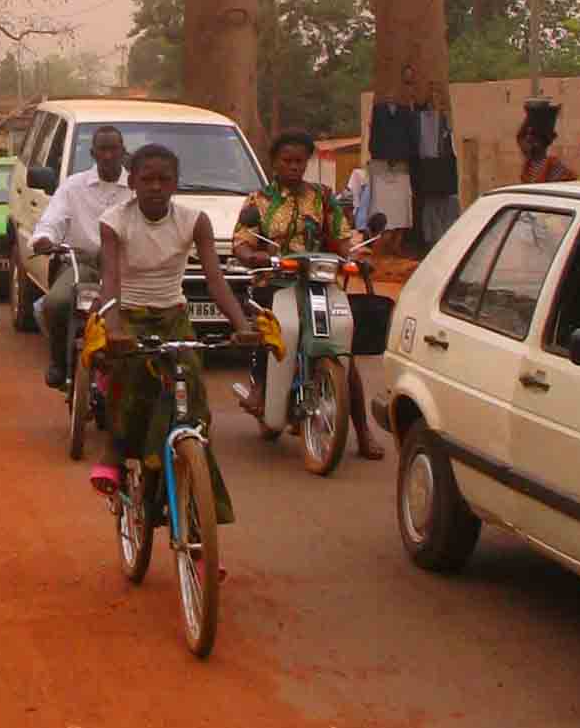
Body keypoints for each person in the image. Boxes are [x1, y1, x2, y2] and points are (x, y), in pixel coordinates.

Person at [90, 143, 257, 512]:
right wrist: (113, 329)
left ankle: (195, 505)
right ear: (132, 182)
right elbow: (111, 280)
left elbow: (215, 280)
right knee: (128, 380)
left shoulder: (194, 220)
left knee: (192, 395)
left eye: (164, 179)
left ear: (176, 183)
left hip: (174, 317)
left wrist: (242, 325)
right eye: (146, 179)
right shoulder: (115, 221)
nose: (155, 186)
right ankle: (115, 451)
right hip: (129, 314)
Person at [231, 129, 383, 460]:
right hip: (275, 280)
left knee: (343, 350)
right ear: (274, 162)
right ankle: (261, 387)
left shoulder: (323, 197)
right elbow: (242, 241)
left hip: (319, 280)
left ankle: (363, 432)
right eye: (287, 161)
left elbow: (341, 237)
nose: (294, 167)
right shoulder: (258, 200)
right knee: (273, 329)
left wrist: (355, 255)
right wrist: (253, 256)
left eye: (300, 161)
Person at [29, 124, 128, 389]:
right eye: (102, 149)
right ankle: (58, 362)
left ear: (123, 152)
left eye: (113, 149)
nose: (108, 155)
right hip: (80, 264)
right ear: (93, 153)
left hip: (125, 268)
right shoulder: (73, 186)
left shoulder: (135, 187)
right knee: (56, 302)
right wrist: (44, 238)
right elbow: (52, 219)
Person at [517, 99, 575, 184]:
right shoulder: (529, 165)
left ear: (541, 142)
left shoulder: (554, 167)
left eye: (532, 137)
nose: (527, 140)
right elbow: (520, 136)